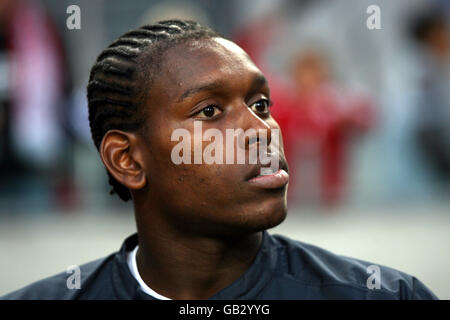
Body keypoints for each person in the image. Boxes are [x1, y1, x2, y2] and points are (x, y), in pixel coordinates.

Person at [1, 20, 437, 300]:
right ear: (128, 160)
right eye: (209, 111)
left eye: (261, 105)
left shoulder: (384, 295)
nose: (262, 130)